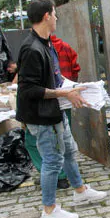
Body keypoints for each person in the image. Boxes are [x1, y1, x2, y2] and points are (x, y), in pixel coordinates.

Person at [16, 0, 107, 218]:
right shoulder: (31, 49)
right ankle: (49, 210)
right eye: (55, 14)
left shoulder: (47, 44)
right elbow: (29, 90)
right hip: (43, 116)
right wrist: (65, 94)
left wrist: (74, 88)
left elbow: (56, 79)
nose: (56, 18)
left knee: (68, 151)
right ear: (47, 15)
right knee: (52, 160)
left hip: (54, 111)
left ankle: (80, 191)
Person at [25, 34, 81, 189]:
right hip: (66, 98)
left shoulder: (35, 49)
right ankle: (71, 182)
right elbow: (76, 68)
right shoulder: (65, 47)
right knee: (64, 142)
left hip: (47, 103)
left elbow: (30, 85)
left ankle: (55, 178)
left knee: (33, 142)